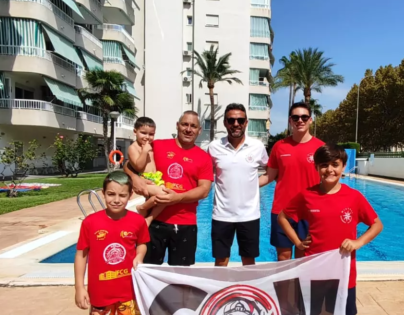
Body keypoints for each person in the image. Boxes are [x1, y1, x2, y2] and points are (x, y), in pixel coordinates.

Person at [278, 143, 383, 315]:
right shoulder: (307, 196)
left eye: (335, 164)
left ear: (342, 166)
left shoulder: (353, 197)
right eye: (324, 165)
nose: (329, 169)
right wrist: (298, 242)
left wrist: (358, 242)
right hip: (313, 272)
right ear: (317, 168)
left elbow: (376, 224)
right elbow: (282, 216)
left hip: (343, 275)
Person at [74, 171, 150, 315]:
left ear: (130, 196)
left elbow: (142, 244)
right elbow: (81, 255)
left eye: (122, 195)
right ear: (103, 194)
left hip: (128, 291)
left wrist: (139, 257)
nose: (116, 199)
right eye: (111, 194)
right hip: (100, 293)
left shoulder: (136, 221)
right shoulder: (91, 223)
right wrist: (79, 286)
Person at [125, 111, 213, 266]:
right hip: (155, 222)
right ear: (178, 126)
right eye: (185, 124)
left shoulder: (204, 157)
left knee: (182, 276)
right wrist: (134, 178)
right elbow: (130, 163)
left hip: (186, 223)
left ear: (199, 130)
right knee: (148, 270)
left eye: (193, 126)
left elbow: (204, 190)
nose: (188, 129)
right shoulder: (157, 145)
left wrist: (178, 198)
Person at [260, 102, 324, 261]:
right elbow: (269, 176)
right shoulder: (279, 147)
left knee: (303, 259)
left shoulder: (321, 148)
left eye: (304, 117)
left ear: (310, 120)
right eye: (295, 117)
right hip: (282, 211)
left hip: (310, 211)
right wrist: (242, 184)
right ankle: (284, 287)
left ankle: (300, 288)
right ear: (290, 120)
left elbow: (329, 179)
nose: (300, 120)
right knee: (283, 258)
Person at [207, 104, 269, 266]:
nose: (236, 124)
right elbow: (205, 174)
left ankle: (247, 292)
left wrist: (253, 185)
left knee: (249, 261)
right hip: (221, 214)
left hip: (249, 215)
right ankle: (219, 291)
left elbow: (271, 172)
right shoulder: (214, 147)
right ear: (225, 123)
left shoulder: (257, 146)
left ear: (246, 122)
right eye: (231, 120)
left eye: (240, 120)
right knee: (221, 260)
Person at [127, 117, 167, 224]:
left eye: (151, 134)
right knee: (163, 195)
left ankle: (148, 219)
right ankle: (142, 208)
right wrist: (144, 151)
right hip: (145, 179)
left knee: (167, 198)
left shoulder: (151, 146)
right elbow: (138, 167)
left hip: (156, 178)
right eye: (143, 133)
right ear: (135, 131)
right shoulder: (133, 148)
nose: (147, 137)